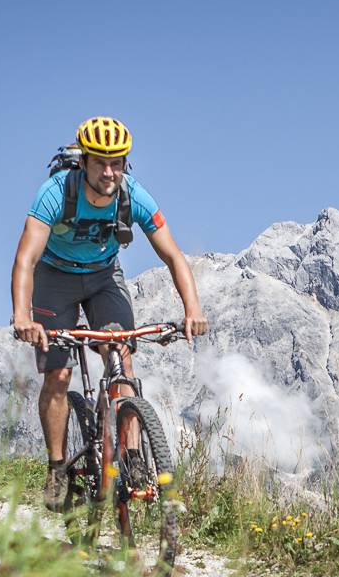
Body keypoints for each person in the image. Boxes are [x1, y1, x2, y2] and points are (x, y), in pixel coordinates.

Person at [11, 116, 207, 510]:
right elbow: (26, 259)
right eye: (100, 161)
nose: (109, 171)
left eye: (117, 162)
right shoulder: (55, 193)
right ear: (83, 161)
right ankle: (56, 468)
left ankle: (133, 458)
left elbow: (173, 254)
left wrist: (193, 309)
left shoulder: (133, 195)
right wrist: (22, 316)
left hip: (103, 277)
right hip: (55, 277)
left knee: (122, 360)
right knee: (59, 372)